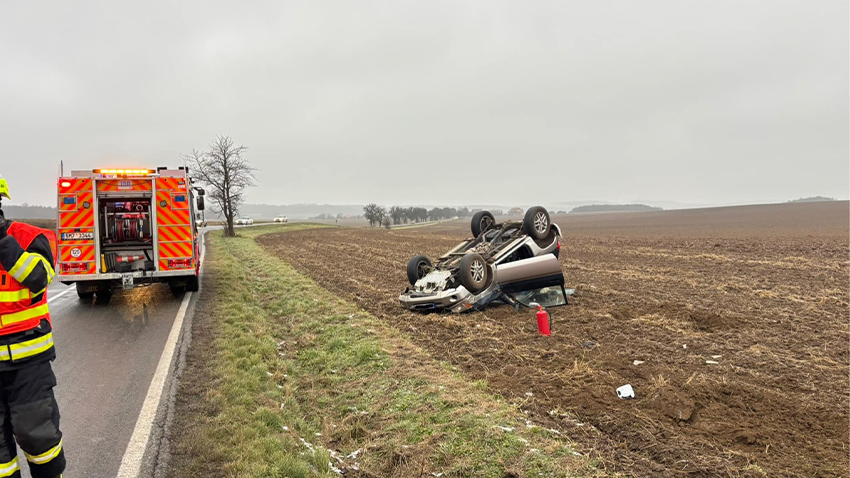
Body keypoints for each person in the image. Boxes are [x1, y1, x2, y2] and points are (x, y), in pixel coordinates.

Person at [0, 174, 65, 478]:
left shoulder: (28, 237)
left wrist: (4, 243)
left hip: (28, 364)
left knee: (38, 438)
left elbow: (39, 279)